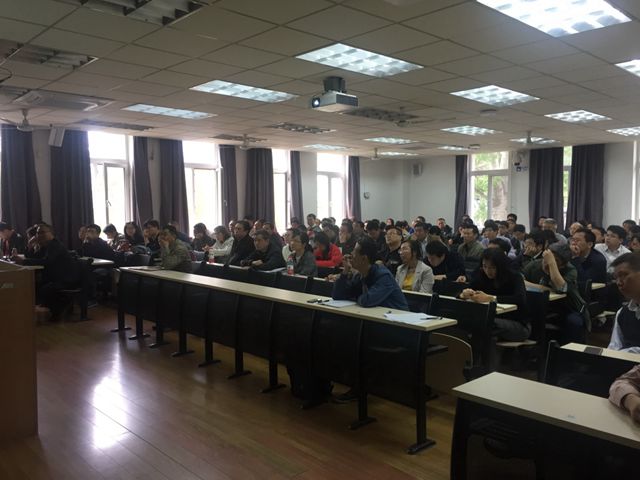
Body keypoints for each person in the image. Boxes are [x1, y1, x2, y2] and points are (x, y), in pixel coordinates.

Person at [523, 243, 588, 344]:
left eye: (555, 260)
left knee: (574, 322)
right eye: (546, 258)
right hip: (540, 307)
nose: (546, 262)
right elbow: (520, 281)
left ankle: (567, 352)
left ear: (563, 265)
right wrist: (543, 288)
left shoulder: (570, 270)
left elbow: (561, 288)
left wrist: (552, 265)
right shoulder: (535, 264)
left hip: (567, 307)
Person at [460, 248, 530, 341]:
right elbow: (464, 290)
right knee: (468, 322)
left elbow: (520, 299)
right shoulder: (481, 275)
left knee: (483, 323)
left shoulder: (514, 277)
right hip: (491, 319)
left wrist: (492, 298)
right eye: (485, 266)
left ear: (500, 266)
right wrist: (464, 294)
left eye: (492, 267)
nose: (488, 271)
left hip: (518, 324)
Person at [12, 224, 79, 318]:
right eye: (37, 233)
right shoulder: (45, 245)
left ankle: (52, 312)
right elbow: (34, 258)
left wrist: (23, 261)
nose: (39, 235)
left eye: (42, 232)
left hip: (65, 278)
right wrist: (30, 245)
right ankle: (34, 309)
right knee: (31, 283)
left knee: (43, 287)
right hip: (53, 276)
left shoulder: (55, 245)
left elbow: (46, 261)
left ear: (51, 233)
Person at [332, 237, 409, 310]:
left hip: (397, 317)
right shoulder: (360, 275)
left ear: (364, 258)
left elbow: (367, 301)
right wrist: (345, 271)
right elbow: (338, 295)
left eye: (354, 251)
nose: (351, 254)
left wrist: (354, 298)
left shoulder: (384, 276)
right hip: (376, 316)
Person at [608, 253, 640, 353]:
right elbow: (613, 349)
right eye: (616, 277)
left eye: (624, 275)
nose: (619, 282)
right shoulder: (622, 313)